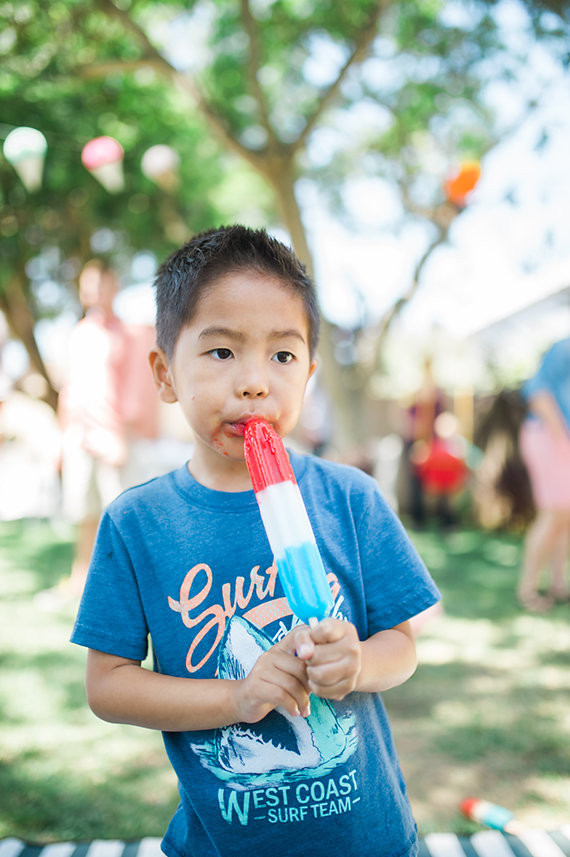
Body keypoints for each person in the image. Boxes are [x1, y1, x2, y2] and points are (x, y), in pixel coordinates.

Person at [71, 226, 441, 857]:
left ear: (310, 374)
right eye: (221, 353)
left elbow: (401, 647)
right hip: (220, 844)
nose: (254, 382)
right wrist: (237, 696)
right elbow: (107, 686)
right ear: (164, 373)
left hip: (369, 840)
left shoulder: (350, 499)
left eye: (283, 356)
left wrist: (358, 662)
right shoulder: (138, 523)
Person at [56, 260, 130, 598]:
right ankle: (79, 577)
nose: (96, 291)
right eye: (89, 284)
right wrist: (64, 437)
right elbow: (68, 390)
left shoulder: (125, 335)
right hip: (79, 437)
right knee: (82, 511)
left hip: (112, 437)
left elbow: (133, 392)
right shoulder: (79, 333)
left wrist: (121, 434)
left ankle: (116, 584)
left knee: (115, 514)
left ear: (113, 286)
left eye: (102, 283)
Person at [518, 336, 570, 612]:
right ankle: (528, 590)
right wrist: (563, 441)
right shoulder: (564, 348)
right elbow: (538, 396)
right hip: (550, 438)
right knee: (553, 513)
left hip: (559, 439)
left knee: (566, 516)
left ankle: (558, 585)